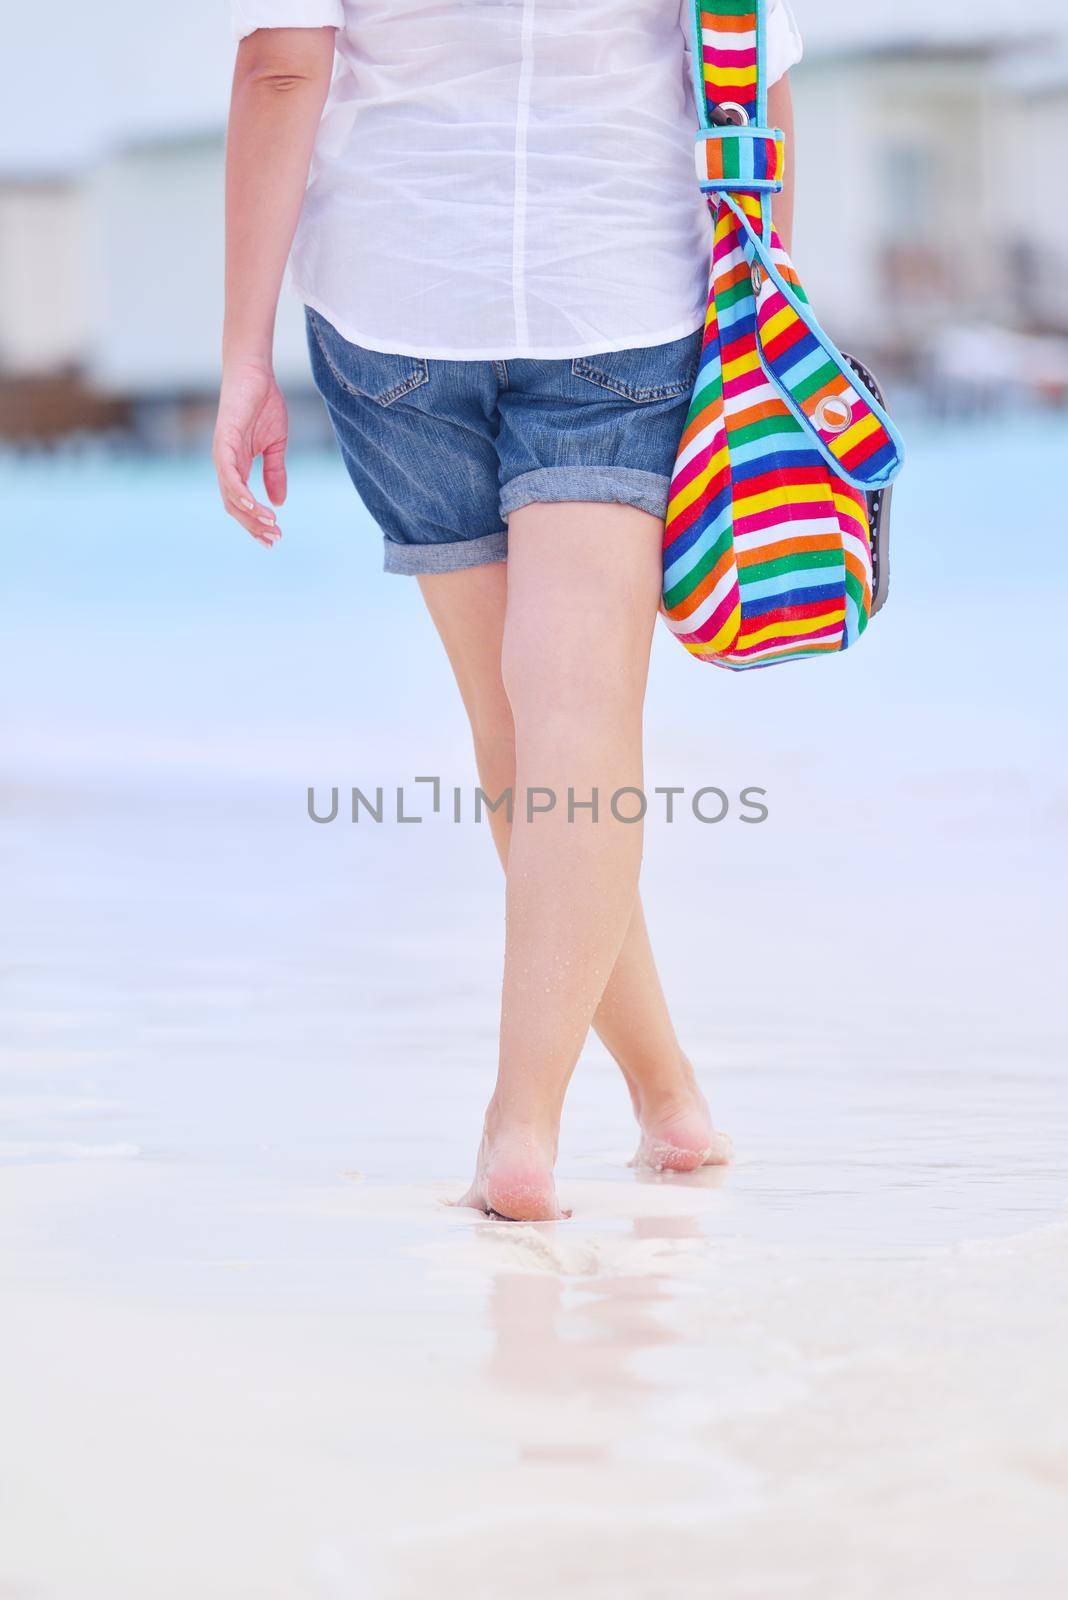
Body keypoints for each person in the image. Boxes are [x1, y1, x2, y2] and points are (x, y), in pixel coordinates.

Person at [214, 0, 803, 1220]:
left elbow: (282, 69)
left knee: (515, 729)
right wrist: (767, 308)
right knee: (577, 722)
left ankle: (629, 1107)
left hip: (398, 304)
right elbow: (759, 73)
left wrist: (239, 357)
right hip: (621, 293)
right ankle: (569, 1116)